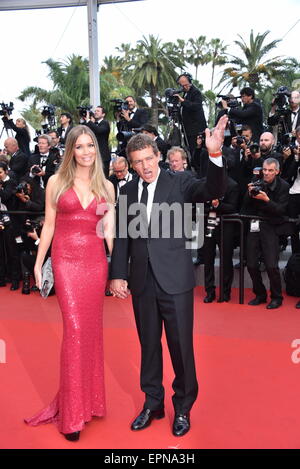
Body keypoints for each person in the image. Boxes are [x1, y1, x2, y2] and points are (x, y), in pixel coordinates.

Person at [110, 115, 228, 437]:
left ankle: (184, 407)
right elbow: (122, 236)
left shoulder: (181, 181)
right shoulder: (128, 192)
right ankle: (153, 402)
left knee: (181, 347)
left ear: (158, 156)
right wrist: (118, 274)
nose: (145, 166)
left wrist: (215, 156)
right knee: (148, 345)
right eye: (138, 162)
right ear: (131, 165)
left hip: (175, 281)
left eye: (149, 158)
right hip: (142, 282)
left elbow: (212, 189)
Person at [24, 125, 115, 442]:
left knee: (90, 333)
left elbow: (107, 230)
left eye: (90, 145)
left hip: (95, 263)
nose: (87, 151)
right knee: (75, 331)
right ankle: (72, 415)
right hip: (65, 262)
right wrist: (38, 262)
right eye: (80, 147)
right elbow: (48, 226)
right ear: (70, 151)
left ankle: (89, 402)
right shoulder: (56, 182)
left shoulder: (105, 185)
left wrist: (117, 268)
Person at [241, 158, 290, 309]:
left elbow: (282, 210)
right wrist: (249, 194)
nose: (266, 173)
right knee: (251, 264)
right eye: (264, 170)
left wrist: (267, 200)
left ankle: (276, 297)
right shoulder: (257, 182)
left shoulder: (283, 186)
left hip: (271, 226)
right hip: (254, 225)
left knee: (271, 265)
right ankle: (260, 294)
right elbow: (244, 206)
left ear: (277, 171)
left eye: (270, 170)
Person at [174, 73, 207, 156]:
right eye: (182, 85)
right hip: (187, 129)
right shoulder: (185, 93)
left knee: (196, 151)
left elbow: (196, 106)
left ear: (190, 82)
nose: (184, 87)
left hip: (196, 130)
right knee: (190, 150)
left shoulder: (196, 92)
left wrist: (183, 101)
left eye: (185, 84)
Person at [82, 106, 111, 177]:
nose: (95, 112)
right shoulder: (93, 124)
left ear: (103, 114)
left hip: (103, 156)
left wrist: (89, 121)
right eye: (95, 111)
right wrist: (85, 120)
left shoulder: (105, 123)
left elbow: (99, 130)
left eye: (98, 111)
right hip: (93, 156)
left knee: (103, 177)